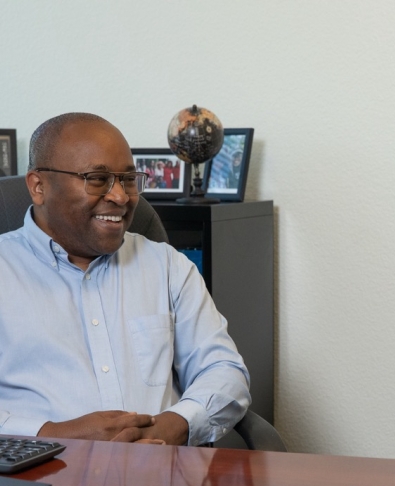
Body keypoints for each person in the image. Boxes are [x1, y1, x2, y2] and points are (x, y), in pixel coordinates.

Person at [0, 113, 251, 446]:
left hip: (161, 473)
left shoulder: (167, 266)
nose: (120, 197)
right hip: (41, 480)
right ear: (38, 186)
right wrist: (52, 435)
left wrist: (176, 424)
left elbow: (224, 370)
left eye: (128, 179)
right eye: (97, 179)